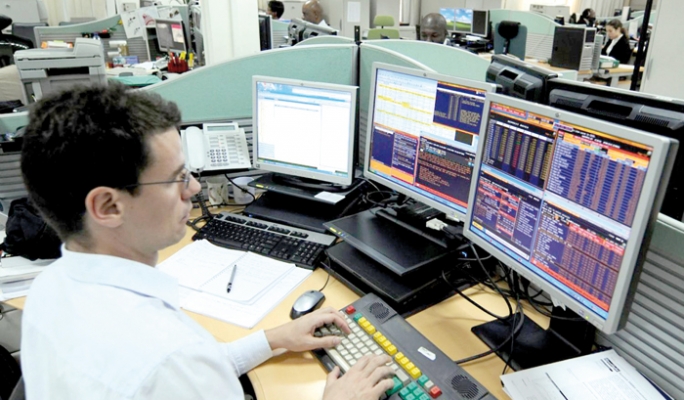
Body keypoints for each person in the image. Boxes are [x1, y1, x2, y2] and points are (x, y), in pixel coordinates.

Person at [19, 84, 395, 399]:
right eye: (176, 178)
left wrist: (274, 339)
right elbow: (178, 370)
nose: (195, 188)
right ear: (108, 206)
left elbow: (191, 372)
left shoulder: (50, 287)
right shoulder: (169, 359)